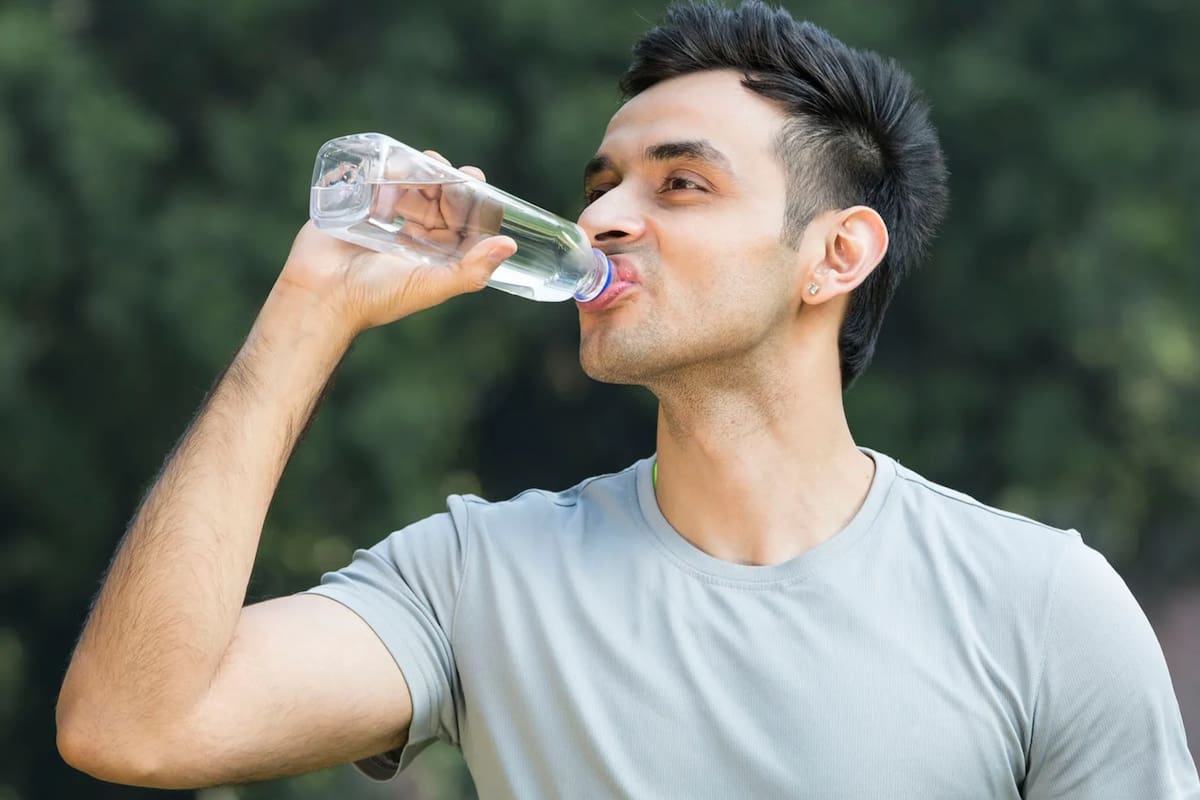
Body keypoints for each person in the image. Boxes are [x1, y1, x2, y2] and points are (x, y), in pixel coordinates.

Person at [56, 1, 1199, 797]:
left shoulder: (1040, 604)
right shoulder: (476, 580)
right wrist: (308, 311)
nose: (601, 218)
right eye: (601, 185)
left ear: (836, 254)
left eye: (682, 184)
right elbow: (136, 724)